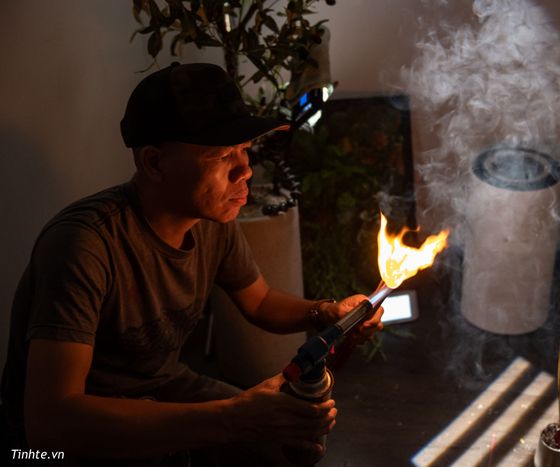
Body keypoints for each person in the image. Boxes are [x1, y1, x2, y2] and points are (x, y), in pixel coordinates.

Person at [0, 62, 383, 466]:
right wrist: (230, 419)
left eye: (244, 149)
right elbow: (51, 421)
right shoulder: (84, 244)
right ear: (154, 163)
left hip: (163, 388)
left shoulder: (210, 221)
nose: (245, 169)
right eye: (222, 155)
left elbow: (259, 301)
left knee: (286, 448)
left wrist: (326, 313)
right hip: (71, 433)